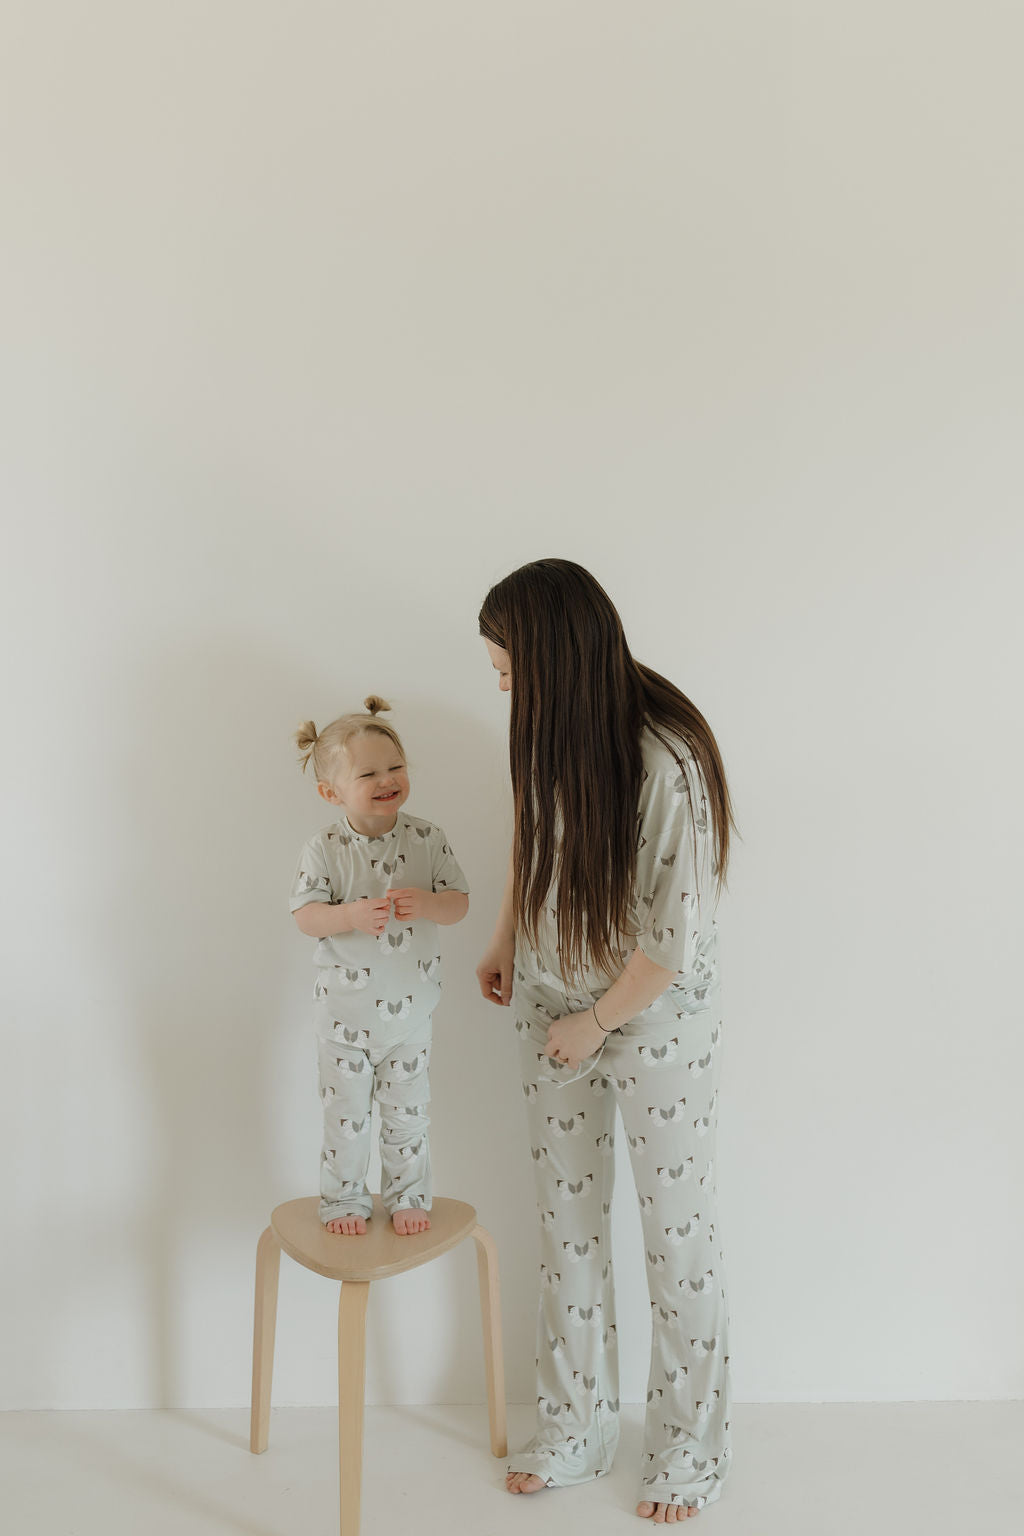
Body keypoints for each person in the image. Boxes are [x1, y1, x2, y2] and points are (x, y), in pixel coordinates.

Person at [476, 560, 736, 1523]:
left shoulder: (664, 761)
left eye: (506, 664)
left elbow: (670, 945)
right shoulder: (544, 730)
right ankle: (577, 1425)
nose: (500, 683)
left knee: (679, 1242)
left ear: (552, 654)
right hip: (552, 1004)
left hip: (645, 1017)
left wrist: (593, 1024)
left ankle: (689, 1447)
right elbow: (528, 836)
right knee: (567, 1231)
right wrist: (507, 940)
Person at [289, 696, 470, 1236]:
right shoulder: (324, 847)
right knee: (346, 1122)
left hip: (409, 1018)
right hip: (343, 1022)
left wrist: (429, 904)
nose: (387, 779)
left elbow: (458, 901)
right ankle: (344, 1200)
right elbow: (304, 916)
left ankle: (409, 1194)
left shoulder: (426, 837)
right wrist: (347, 914)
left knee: (408, 1115)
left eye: (395, 767)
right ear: (331, 792)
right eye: (369, 773)